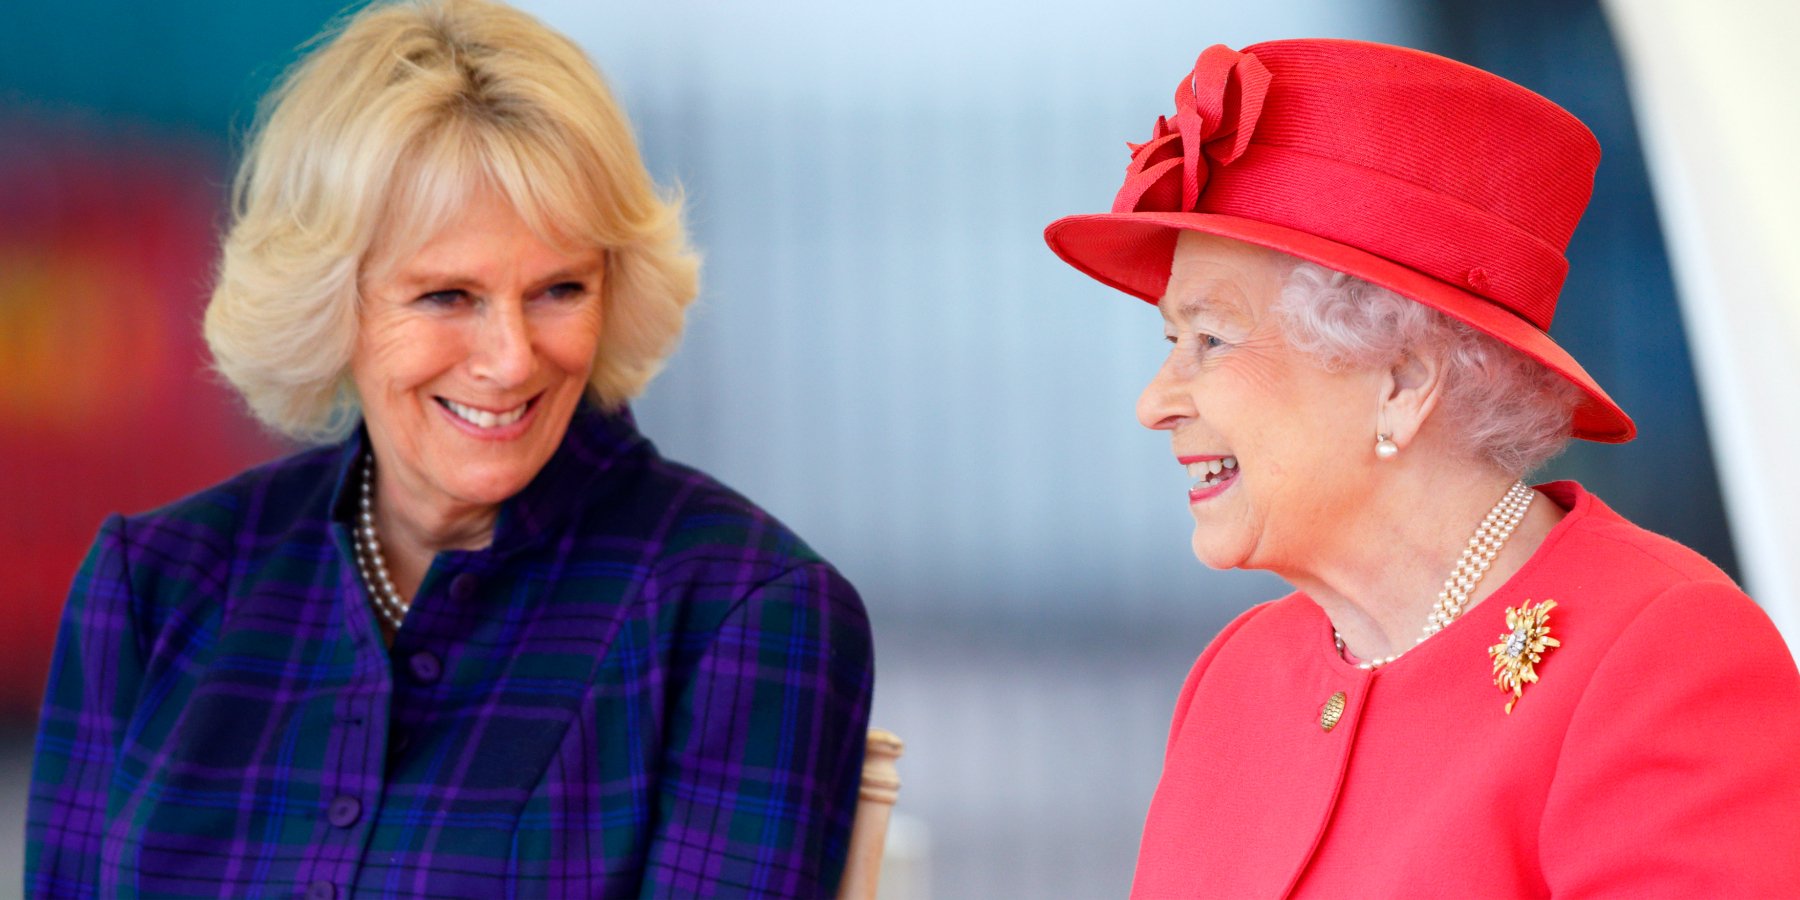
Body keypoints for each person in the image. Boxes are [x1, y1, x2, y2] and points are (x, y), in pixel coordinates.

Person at [25, 1, 873, 896]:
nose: (510, 359)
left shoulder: (744, 616)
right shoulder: (154, 585)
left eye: (559, 288)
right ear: (328, 301)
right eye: (446, 296)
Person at [1045, 39, 1800, 897]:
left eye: (1211, 339)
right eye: (1170, 340)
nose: (1155, 401)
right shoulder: (1239, 674)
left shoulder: (1661, 657)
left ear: (1401, 381)